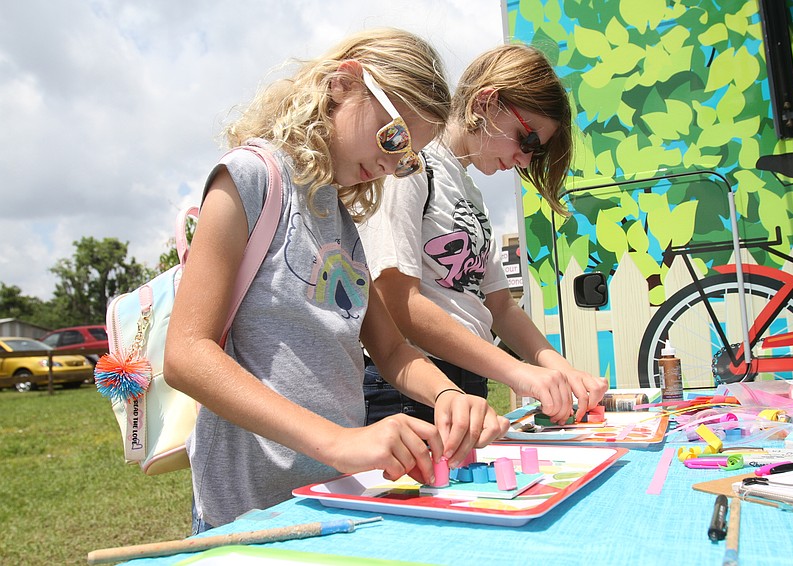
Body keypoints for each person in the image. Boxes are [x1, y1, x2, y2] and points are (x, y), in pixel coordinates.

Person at [163, 28, 509, 533]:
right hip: (249, 512)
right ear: (343, 84)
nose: (392, 165)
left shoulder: (338, 215)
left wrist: (445, 395)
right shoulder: (248, 178)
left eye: (408, 158)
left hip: (331, 499)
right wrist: (338, 441)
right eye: (393, 137)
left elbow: (389, 349)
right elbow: (186, 354)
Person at [358, 44, 608, 428]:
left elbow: (501, 307)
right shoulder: (410, 166)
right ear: (486, 103)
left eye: (535, 155)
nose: (525, 161)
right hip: (410, 386)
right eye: (528, 142)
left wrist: (560, 369)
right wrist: (518, 372)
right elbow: (395, 297)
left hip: (465, 380)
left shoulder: (471, 193)